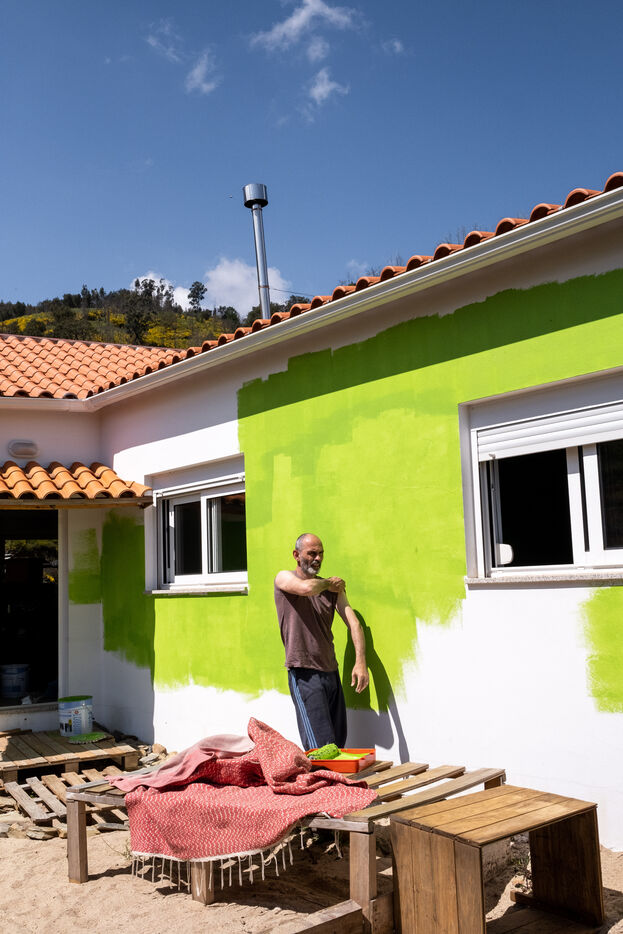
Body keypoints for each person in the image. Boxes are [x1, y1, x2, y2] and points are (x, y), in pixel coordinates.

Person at [274, 533, 369, 750]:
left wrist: (361, 662)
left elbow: (354, 624)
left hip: (331, 672)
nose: (317, 558)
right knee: (321, 749)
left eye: (321, 554)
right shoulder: (284, 578)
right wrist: (328, 583)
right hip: (304, 673)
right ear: (296, 555)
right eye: (312, 553)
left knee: (338, 745)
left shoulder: (332, 590)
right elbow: (306, 589)